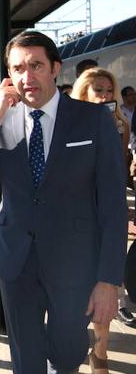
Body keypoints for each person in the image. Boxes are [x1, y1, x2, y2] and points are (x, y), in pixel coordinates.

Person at [0, 31, 126, 374]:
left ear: (55, 68)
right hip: (16, 261)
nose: (27, 77)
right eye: (18, 68)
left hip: (74, 262)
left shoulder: (92, 120)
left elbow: (113, 204)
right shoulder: (3, 121)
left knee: (68, 355)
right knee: (26, 359)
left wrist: (109, 279)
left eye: (36, 65)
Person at [71, 67, 133, 374]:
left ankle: (100, 352)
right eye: (99, 90)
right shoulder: (68, 125)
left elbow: (119, 172)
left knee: (106, 283)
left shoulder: (119, 126)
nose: (106, 96)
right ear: (84, 93)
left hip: (107, 216)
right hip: (75, 218)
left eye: (110, 91)